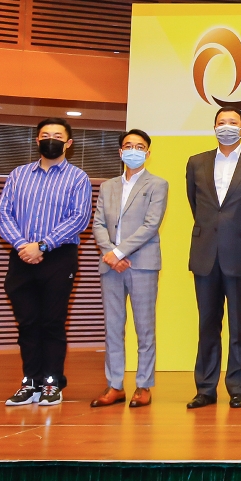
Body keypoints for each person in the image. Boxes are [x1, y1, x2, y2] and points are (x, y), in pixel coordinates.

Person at [0, 118, 93, 406]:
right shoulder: (18, 175)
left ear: (68, 143)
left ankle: (52, 382)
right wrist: (22, 245)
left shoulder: (78, 178)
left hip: (59, 257)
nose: (51, 139)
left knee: (52, 322)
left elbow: (79, 218)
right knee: (27, 323)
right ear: (37, 140)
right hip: (21, 255)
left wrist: (43, 245)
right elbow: (3, 215)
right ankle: (30, 382)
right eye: (45, 135)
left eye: (58, 136)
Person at [185, 108, 241, 410]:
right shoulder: (196, 162)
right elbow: (196, 205)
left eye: (233, 123)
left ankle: (238, 387)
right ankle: (205, 388)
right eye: (221, 123)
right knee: (207, 324)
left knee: (240, 325)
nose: (227, 127)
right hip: (205, 254)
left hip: (240, 253)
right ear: (214, 127)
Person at [90, 129, 168, 409]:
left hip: (142, 264)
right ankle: (115, 385)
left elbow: (151, 225)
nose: (133, 150)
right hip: (110, 265)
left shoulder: (157, 184)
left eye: (140, 146)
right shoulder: (107, 186)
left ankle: (143, 385)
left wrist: (119, 252)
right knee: (113, 327)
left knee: (144, 328)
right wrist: (109, 253)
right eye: (128, 145)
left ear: (148, 153)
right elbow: (98, 223)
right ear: (120, 151)